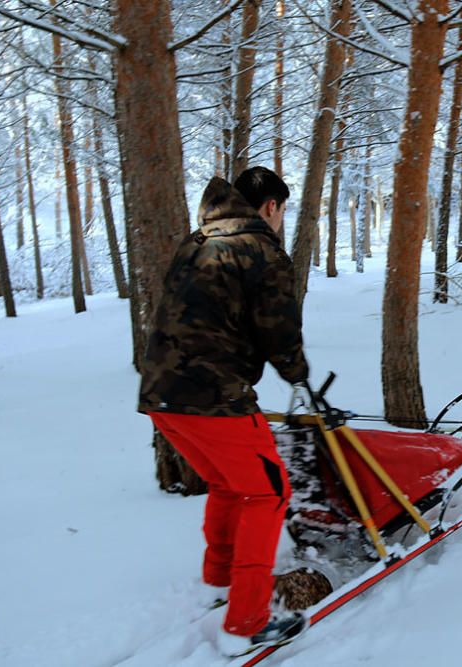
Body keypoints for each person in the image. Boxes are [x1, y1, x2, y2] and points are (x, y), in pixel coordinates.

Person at [138, 167, 308, 657]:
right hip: (212, 394)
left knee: (233, 485)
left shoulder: (198, 241)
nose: (280, 221)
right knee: (270, 491)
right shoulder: (262, 249)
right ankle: (246, 623)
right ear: (271, 207)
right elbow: (278, 330)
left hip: (162, 394)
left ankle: (218, 583)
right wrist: (297, 373)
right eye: (282, 211)